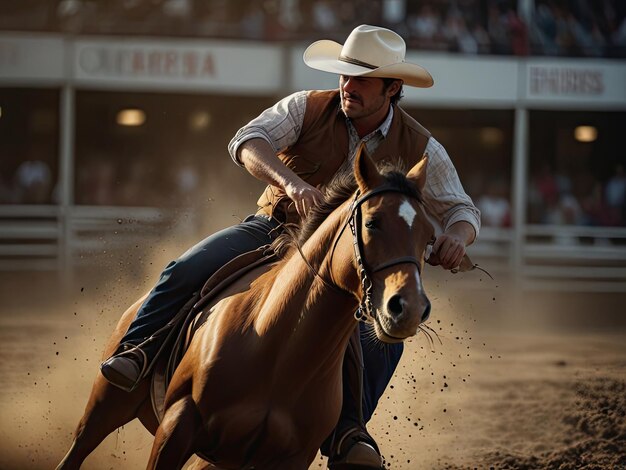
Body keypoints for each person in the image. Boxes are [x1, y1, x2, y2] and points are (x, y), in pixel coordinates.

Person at [100, 24, 481, 468]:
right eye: (344, 74)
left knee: (386, 336)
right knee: (184, 268)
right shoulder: (307, 107)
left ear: (392, 88)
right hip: (273, 229)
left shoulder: (421, 146)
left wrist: (456, 236)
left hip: (346, 266)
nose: (346, 86)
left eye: (361, 79)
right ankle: (139, 349)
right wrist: (291, 183)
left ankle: (349, 428)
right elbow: (246, 141)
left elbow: (462, 209)